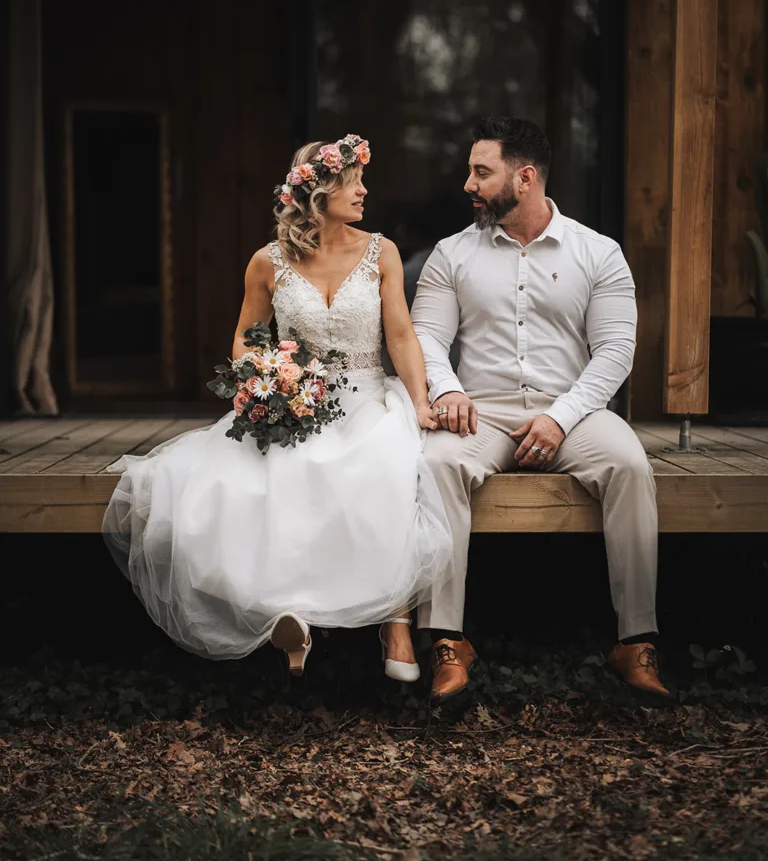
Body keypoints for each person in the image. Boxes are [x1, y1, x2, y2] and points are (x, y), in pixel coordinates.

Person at [102, 136, 453, 680]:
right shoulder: (267, 262)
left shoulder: (381, 253)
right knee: (257, 478)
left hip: (367, 398)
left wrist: (420, 402)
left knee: (380, 464)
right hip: (296, 401)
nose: (364, 190)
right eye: (352, 181)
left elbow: (402, 336)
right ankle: (293, 617)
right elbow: (245, 339)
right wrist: (272, 377)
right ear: (317, 191)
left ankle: (394, 616)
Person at [411, 117, 672, 705]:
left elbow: (615, 351)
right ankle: (447, 642)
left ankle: (636, 640)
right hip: (482, 410)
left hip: (573, 410)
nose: (468, 184)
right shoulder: (451, 255)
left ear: (524, 178)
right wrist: (449, 390)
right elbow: (425, 336)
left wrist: (561, 416)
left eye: (482, 172)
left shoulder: (598, 252)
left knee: (630, 464)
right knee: (436, 463)